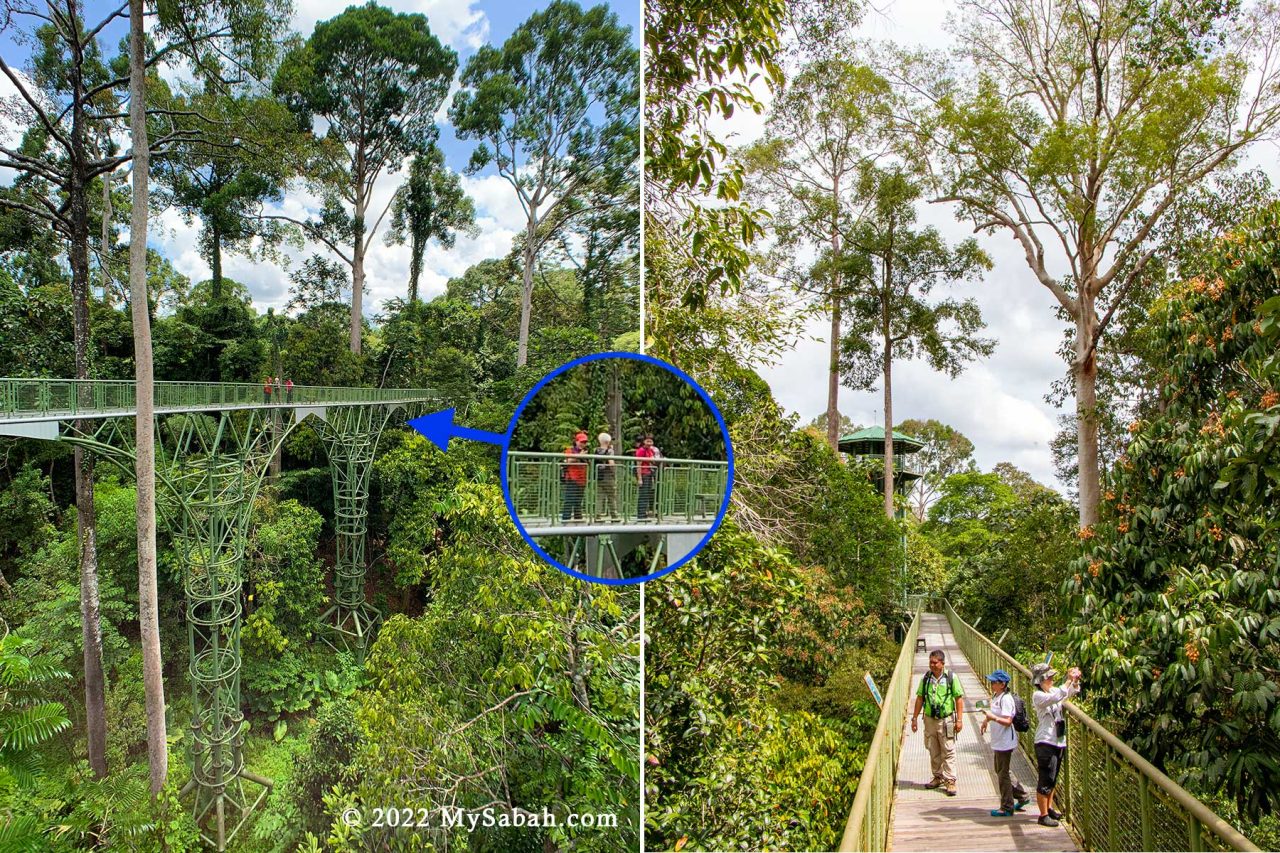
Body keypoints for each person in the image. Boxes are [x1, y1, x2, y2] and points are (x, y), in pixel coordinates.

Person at [1031, 662, 1081, 827]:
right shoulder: (1038, 696)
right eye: (1049, 677)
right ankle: (1043, 814)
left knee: (1053, 778)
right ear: (1041, 680)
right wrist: (1067, 681)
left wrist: (1074, 680)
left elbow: (1068, 693)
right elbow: (1058, 696)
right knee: (1045, 778)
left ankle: (1049, 808)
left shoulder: (1052, 690)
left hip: (1058, 741)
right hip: (1045, 741)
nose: (1052, 679)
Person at [911, 649, 965, 796]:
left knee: (948, 749)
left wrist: (959, 720)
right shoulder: (926, 678)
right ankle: (937, 776)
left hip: (946, 719)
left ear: (942, 663)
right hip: (929, 719)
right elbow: (920, 698)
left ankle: (950, 780)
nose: (932, 665)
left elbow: (958, 699)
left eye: (935, 663)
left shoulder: (951, 678)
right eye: (930, 662)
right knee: (933, 749)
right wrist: (914, 718)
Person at [979, 670, 1030, 817]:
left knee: (1002, 774)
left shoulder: (1006, 699)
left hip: (1005, 741)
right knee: (1002, 771)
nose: (991, 683)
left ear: (1002, 684)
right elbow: (994, 713)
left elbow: (1008, 721)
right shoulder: (996, 696)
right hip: (998, 740)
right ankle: (1022, 796)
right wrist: (986, 721)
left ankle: (1007, 807)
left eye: (994, 682)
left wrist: (992, 718)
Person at [561, 432, 589, 521]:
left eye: (584, 442)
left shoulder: (585, 452)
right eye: (581, 442)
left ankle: (578, 520)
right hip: (572, 479)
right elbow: (568, 461)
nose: (583, 444)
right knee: (569, 500)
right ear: (576, 441)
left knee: (578, 502)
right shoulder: (570, 450)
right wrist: (579, 456)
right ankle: (565, 520)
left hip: (582, 480)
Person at [594, 432, 618, 519]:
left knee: (599, 496)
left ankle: (597, 514)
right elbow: (611, 463)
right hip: (608, 476)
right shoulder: (609, 451)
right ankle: (614, 515)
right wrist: (614, 473)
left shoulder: (595, 450)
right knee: (611, 496)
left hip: (599, 476)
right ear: (608, 442)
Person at [635, 434, 658, 520]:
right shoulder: (641, 450)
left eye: (651, 441)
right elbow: (638, 464)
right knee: (643, 494)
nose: (649, 443)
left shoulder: (650, 450)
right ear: (644, 441)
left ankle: (644, 513)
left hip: (649, 473)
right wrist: (639, 478)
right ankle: (640, 514)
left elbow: (652, 461)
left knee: (647, 494)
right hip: (644, 474)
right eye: (647, 441)